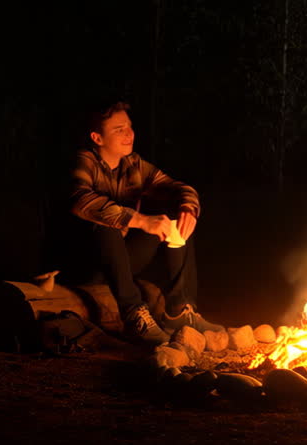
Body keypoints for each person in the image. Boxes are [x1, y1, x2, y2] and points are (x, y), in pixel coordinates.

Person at [68, 101, 222, 345]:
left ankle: (180, 312)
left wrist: (188, 209)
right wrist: (140, 220)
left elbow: (178, 188)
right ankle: (133, 315)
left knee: (174, 219)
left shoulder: (133, 165)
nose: (129, 133)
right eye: (119, 129)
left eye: (129, 127)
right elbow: (80, 200)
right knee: (106, 223)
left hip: (121, 262)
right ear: (97, 138)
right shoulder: (83, 162)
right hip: (81, 263)